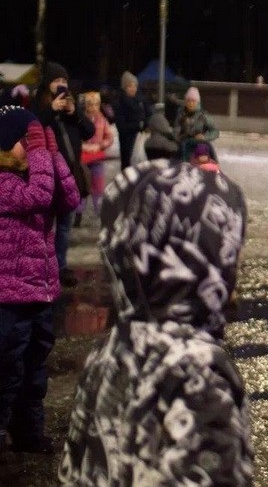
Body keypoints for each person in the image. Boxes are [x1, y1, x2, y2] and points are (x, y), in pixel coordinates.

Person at [59, 161, 253, 485]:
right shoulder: (197, 370)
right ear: (199, 255)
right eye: (229, 248)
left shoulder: (114, 345)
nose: (236, 264)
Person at [0, 106, 79, 454]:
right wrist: (40, 154)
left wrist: (53, 154)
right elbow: (40, 197)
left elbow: (69, 198)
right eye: (23, 141)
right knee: (7, 371)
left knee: (34, 371)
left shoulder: (37, 172)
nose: (29, 148)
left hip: (40, 293)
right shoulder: (4, 182)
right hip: (10, 297)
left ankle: (29, 432)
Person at [33, 61, 94, 287]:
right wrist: (52, 110)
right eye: (57, 80)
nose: (61, 85)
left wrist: (74, 112)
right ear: (47, 83)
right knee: (44, 226)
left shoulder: (70, 108)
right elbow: (32, 127)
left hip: (69, 177)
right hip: (46, 177)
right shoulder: (38, 106)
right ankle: (42, 268)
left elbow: (89, 131)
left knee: (65, 226)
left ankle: (60, 267)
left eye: (64, 81)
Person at [77, 90, 113, 221]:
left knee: (98, 188)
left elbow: (110, 137)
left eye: (96, 104)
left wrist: (100, 145)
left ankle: (100, 214)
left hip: (97, 159)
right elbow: (75, 137)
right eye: (90, 104)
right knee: (82, 187)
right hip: (83, 160)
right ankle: (78, 214)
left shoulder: (102, 120)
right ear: (85, 105)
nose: (93, 107)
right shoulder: (80, 119)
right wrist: (83, 146)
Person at [174, 86, 219, 161]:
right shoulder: (181, 115)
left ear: (197, 102)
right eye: (188, 101)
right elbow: (176, 130)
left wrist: (204, 137)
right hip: (184, 145)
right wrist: (179, 137)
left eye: (193, 101)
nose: (191, 104)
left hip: (200, 146)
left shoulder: (204, 116)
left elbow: (215, 132)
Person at [114, 71, 146, 169]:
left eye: (135, 86)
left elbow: (146, 114)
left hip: (138, 137)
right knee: (127, 164)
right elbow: (121, 126)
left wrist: (145, 124)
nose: (133, 89)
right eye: (130, 86)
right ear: (124, 87)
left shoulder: (139, 101)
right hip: (127, 140)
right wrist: (138, 125)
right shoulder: (120, 103)